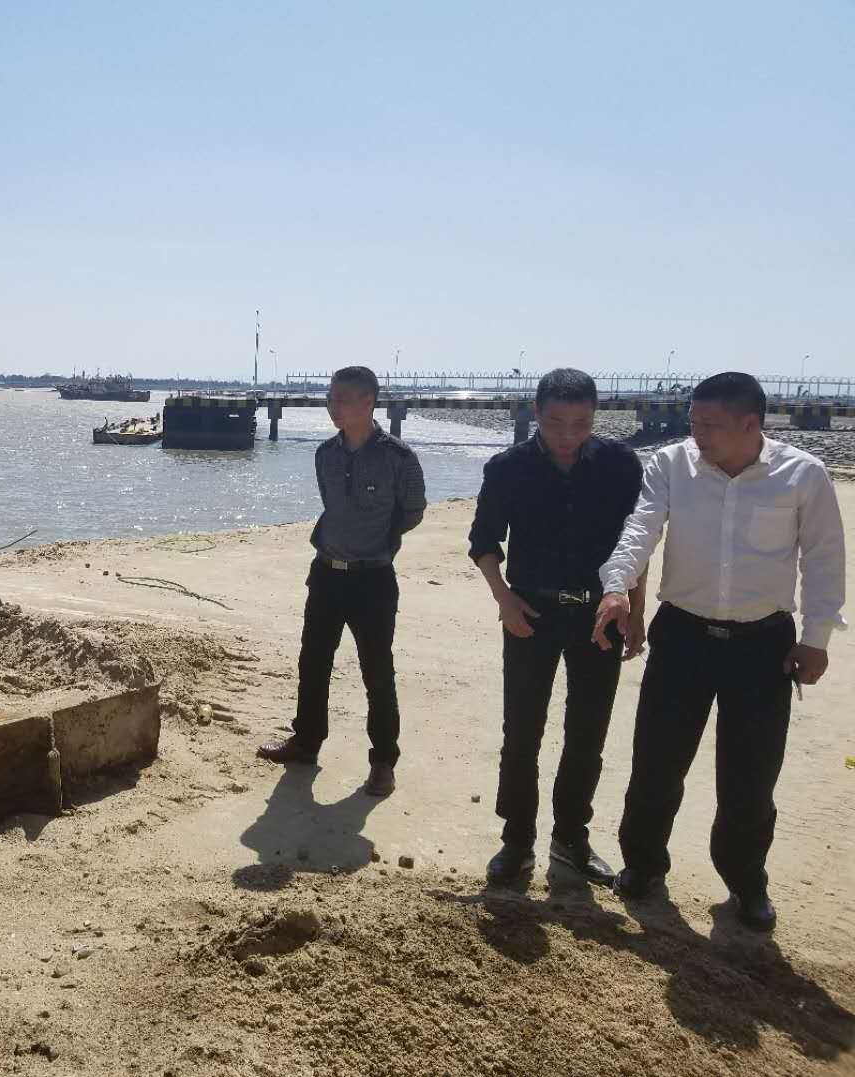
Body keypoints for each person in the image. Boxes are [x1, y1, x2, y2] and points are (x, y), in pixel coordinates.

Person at [593, 372, 846, 931]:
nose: (697, 434)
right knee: (656, 762)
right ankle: (643, 865)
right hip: (682, 637)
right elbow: (641, 529)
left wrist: (817, 638)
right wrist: (617, 586)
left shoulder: (803, 474)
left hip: (764, 645)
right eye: (694, 422)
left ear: (750, 424)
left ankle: (745, 880)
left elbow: (824, 559)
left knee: (750, 776)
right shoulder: (671, 465)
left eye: (709, 425)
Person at [468, 369, 645, 885]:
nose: (568, 435)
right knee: (521, 732)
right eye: (555, 423)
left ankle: (570, 838)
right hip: (530, 613)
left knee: (587, 733)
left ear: (596, 415)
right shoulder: (508, 468)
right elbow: (483, 542)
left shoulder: (620, 464)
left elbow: (635, 542)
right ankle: (516, 840)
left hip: (601, 614)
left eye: (581, 423)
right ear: (536, 413)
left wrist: (635, 609)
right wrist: (504, 600)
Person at [256, 365, 426, 797]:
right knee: (313, 662)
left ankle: (383, 761)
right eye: (330, 398)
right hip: (326, 574)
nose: (333, 407)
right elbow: (332, 505)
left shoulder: (399, 458)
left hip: (373, 579)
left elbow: (413, 511)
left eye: (342, 399)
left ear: (368, 402)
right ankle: (306, 742)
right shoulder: (325, 454)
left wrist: (377, 541)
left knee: (377, 670)